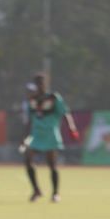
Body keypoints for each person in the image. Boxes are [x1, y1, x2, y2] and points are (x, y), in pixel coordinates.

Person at [20, 73, 80, 203]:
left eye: (41, 83)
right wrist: (24, 137)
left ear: (45, 84)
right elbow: (29, 120)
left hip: (50, 134)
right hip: (36, 135)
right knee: (27, 158)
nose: (39, 86)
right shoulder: (32, 100)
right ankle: (36, 190)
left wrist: (72, 128)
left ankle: (55, 193)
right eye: (37, 83)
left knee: (52, 165)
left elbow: (65, 113)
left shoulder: (53, 98)